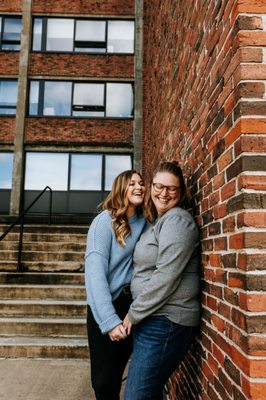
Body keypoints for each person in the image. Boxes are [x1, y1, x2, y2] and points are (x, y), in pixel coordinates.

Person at [123, 161, 201, 400]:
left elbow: (166, 276)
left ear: (181, 192)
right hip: (153, 318)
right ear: (151, 187)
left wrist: (133, 313)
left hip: (167, 321)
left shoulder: (177, 221)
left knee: (137, 396)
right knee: (148, 391)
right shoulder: (157, 221)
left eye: (171, 189)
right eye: (159, 186)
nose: (163, 193)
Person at [85, 169, 146, 400]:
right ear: (121, 188)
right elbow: (95, 276)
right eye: (132, 183)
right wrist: (110, 322)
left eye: (141, 183)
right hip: (106, 305)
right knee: (103, 382)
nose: (139, 187)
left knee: (135, 376)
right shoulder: (103, 222)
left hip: (134, 305)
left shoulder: (147, 221)